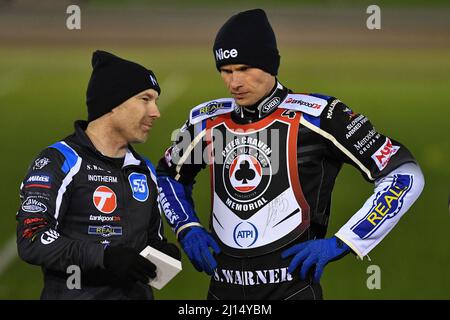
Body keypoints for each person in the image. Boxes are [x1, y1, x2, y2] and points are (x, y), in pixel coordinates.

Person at [156, 9, 424, 300]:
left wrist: (345, 241)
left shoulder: (321, 116)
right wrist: (186, 226)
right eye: (226, 70)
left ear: (271, 64)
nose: (234, 82)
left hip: (293, 292)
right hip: (222, 294)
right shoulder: (206, 122)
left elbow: (404, 174)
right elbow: (167, 175)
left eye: (245, 68)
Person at [16, 50, 180, 300]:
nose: (155, 112)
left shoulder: (144, 169)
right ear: (113, 103)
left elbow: (150, 240)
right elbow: (33, 238)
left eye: (155, 101)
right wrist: (103, 256)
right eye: (145, 99)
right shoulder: (59, 161)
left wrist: (161, 252)